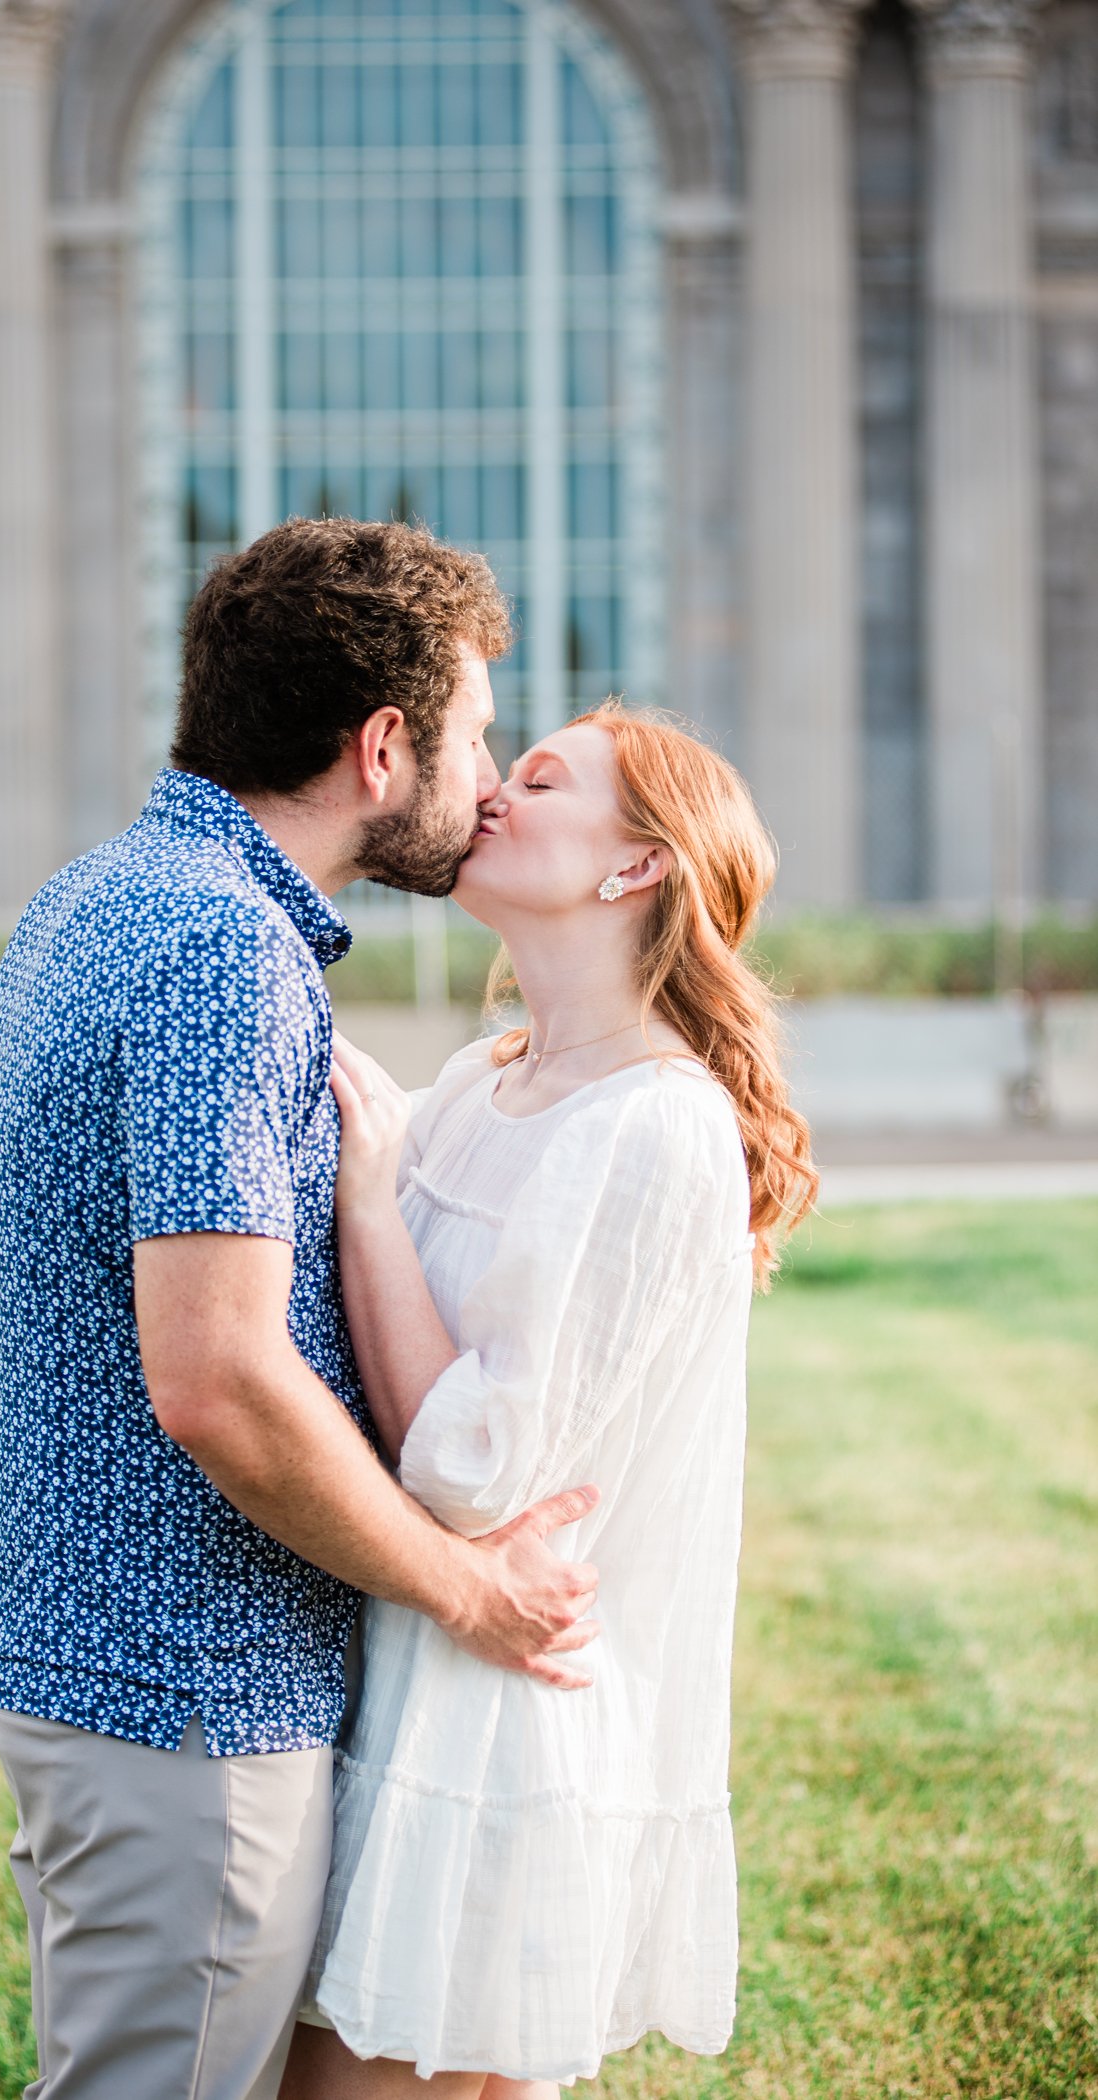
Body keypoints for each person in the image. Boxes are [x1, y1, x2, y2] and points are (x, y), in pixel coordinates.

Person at [0, 518, 601, 2100]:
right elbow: (219, 1382)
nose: (487, 779)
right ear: (381, 747)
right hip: (184, 1689)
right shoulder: (217, 950)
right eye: (467, 737)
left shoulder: (108, 892)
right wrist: (470, 1593)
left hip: (117, 1672)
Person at [282, 705, 819, 2098]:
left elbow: (471, 1469)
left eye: (538, 780)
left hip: (493, 1729)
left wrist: (369, 1201)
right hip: (397, 1667)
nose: (489, 792)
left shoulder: (657, 1122)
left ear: (634, 868)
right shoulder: (480, 1078)